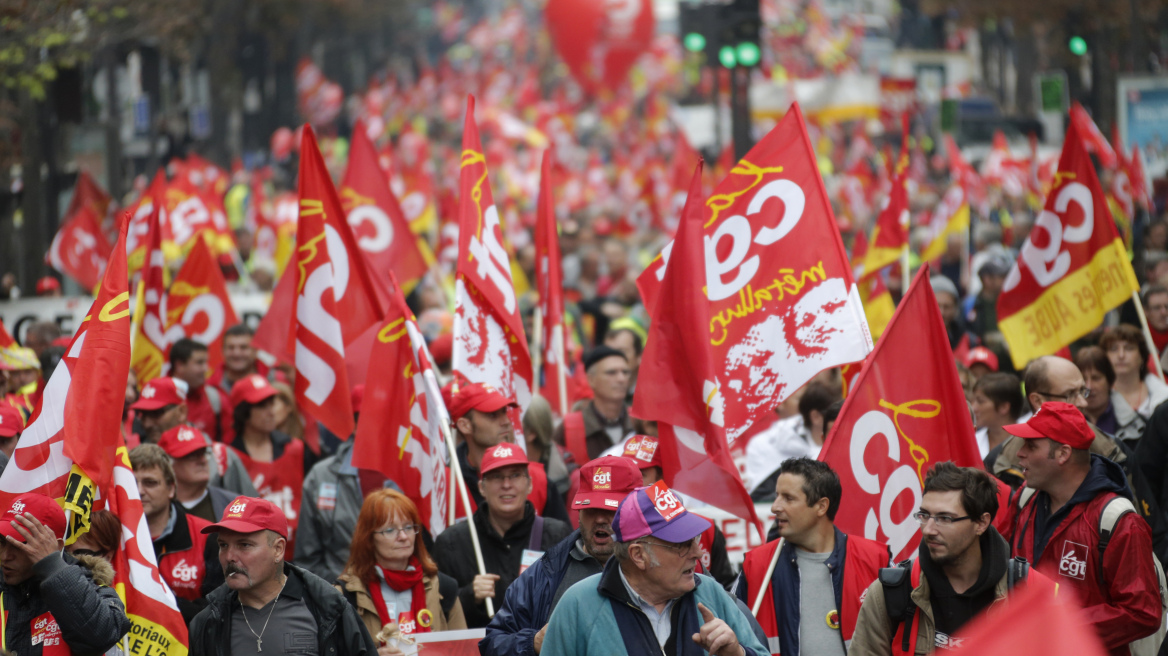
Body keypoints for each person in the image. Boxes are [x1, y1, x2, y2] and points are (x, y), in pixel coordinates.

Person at [849, 463, 1055, 655]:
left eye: (944, 518)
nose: (929, 529)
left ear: (981, 523)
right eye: (924, 515)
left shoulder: (1031, 590)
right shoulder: (890, 592)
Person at [1006, 403, 1163, 655]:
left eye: (1031, 445)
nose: (1019, 454)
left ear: (1063, 454)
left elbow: (1142, 612)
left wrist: (1056, 626)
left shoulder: (1117, 521)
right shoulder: (1024, 500)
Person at [542, 482, 768, 656]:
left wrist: (738, 653)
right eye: (681, 544)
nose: (697, 553)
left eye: (695, 539)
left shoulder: (711, 593)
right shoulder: (578, 605)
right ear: (638, 555)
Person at [481, 456, 643, 656]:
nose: (600, 519)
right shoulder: (544, 573)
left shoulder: (662, 567)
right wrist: (532, 643)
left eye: (611, 508)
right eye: (591, 508)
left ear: (636, 509)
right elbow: (493, 643)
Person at [733, 458, 888, 656]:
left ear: (821, 506)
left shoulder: (876, 560)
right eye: (777, 496)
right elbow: (731, 635)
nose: (775, 507)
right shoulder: (756, 566)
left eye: (788, 498)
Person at [190, 496, 378, 656]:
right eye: (223, 545)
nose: (229, 557)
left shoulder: (329, 608)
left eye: (244, 545)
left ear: (278, 549)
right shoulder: (207, 622)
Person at [434, 442, 572, 628]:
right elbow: (436, 614)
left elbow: (574, 602)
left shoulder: (558, 535)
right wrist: (468, 596)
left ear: (529, 484)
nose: (506, 485)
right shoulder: (451, 542)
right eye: (496, 477)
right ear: (482, 487)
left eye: (515, 475)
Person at [0, 493, 131, 656]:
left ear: (56, 547)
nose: (5, 556)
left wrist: (51, 566)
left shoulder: (96, 590)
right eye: (3, 542)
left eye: (20, 545)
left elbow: (101, 636)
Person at [336, 490, 466, 647]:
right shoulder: (345, 596)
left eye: (408, 527)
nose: (403, 536)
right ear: (369, 538)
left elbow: (462, 649)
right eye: (390, 530)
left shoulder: (444, 588)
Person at [615, 434, 737, 589]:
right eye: (625, 475)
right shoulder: (612, 529)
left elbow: (726, 590)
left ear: (662, 477)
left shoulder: (707, 530)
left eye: (639, 475)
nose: (629, 483)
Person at [130, 443, 225, 623]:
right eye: (132, 483)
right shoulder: (112, 535)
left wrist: (159, 601)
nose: (139, 491)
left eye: (150, 483)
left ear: (171, 489)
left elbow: (217, 609)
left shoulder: (206, 535)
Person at [448, 382, 568, 522]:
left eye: (504, 412)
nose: (505, 421)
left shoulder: (537, 479)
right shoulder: (448, 484)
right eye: (492, 415)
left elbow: (565, 540)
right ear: (465, 425)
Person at [228, 373, 317, 555]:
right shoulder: (229, 458)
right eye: (261, 405)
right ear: (243, 412)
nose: (271, 411)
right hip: (254, 559)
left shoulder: (297, 449)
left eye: (271, 403)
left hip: (301, 556)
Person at [295, 432, 398, 584]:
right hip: (339, 593)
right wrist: (341, 591)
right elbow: (307, 560)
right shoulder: (321, 476)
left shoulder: (415, 467)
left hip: (402, 589)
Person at [131, 376, 259, 498]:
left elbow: (253, 510)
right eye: (143, 414)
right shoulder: (133, 459)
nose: (147, 423)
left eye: (156, 413)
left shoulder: (220, 457)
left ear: (181, 412)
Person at [747, 382, 841, 500]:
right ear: (815, 417)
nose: (841, 421)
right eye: (835, 415)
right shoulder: (767, 444)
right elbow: (760, 498)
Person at [553, 346, 634, 466]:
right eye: (611, 372)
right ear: (591, 380)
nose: (621, 379)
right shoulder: (568, 428)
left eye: (625, 372)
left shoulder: (641, 423)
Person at [1100, 325, 1168, 443]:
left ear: (1142, 356)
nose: (1121, 355)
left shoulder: (1163, 395)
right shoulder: (1098, 400)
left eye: (1129, 348)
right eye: (1114, 349)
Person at [159, 424, 239, 523]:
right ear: (168, 463)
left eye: (204, 453)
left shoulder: (234, 505)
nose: (203, 461)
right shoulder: (155, 509)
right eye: (192, 455)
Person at [170, 338, 232, 442]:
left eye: (205, 362)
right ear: (179, 365)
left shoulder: (215, 398)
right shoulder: (156, 397)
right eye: (199, 363)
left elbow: (228, 442)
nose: (206, 368)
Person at [970, 372, 1023, 464]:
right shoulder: (972, 441)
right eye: (973, 401)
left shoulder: (1027, 444)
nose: (973, 407)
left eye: (980, 401)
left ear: (1004, 407)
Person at [207, 324, 273, 395]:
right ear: (222, 350)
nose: (236, 353)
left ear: (255, 350)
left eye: (243, 347)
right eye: (231, 347)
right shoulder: (208, 386)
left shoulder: (274, 380)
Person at [1076, 346, 1123, 438]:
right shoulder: (1068, 425)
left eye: (1096, 378)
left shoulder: (1133, 423)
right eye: (1083, 379)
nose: (1088, 386)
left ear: (1109, 381)